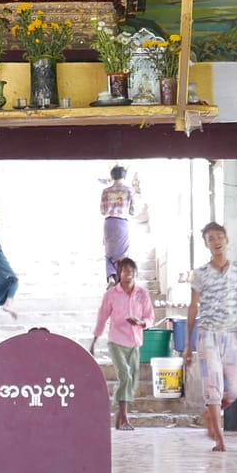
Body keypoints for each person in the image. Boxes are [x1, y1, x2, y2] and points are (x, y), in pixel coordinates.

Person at [183, 221, 237, 452]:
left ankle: (209, 415)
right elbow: (193, 307)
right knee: (212, 386)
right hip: (208, 335)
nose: (216, 242)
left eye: (219, 237)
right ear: (206, 245)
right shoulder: (200, 274)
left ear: (227, 240)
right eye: (210, 239)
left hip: (233, 333)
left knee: (235, 388)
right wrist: (187, 344)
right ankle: (219, 439)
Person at [90, 255, 152, 431]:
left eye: (131, 271)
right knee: (125, 375)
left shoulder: (142, 294)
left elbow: (150, 316)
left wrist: (141, 323)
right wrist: (94, 340)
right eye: (125, 271)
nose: (128, 274)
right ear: (119, 273)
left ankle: (119, 414)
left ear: (135, 273)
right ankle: (124, 417)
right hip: (116, 341)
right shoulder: (111, 295)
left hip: (135, 342)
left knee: (131, 383)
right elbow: (102, 317)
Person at [100, 164, 135, 286]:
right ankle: (121, 281)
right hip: (121, 224)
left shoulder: (106, 191)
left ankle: (110, 278)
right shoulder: (129, 190)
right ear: (123, 175)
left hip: (109, 223)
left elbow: (103, 211)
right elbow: (132, 211)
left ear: (112, 176)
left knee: (109, 254)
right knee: (123, 254)